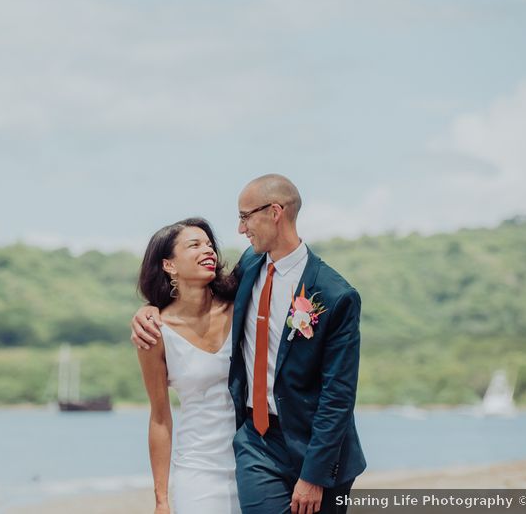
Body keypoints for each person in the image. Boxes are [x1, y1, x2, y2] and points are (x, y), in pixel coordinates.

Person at [132, 175, 366, 514]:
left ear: (274, 213)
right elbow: (193, 298)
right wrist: (147, 309)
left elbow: (338, 395)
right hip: (255, 445)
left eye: (245, 217)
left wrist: (314, 476)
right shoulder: (250, 267)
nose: (240, 229)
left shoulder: (335, 295)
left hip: (315, 449)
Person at [136, 217, 241, 514]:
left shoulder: (241, 306)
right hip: (198, 470)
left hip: (255, 462)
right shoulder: (156, 332)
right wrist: (161, 500)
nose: (208, 250)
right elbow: (159, 417)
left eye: (209, 244)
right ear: (169, 265)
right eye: (194, 245)